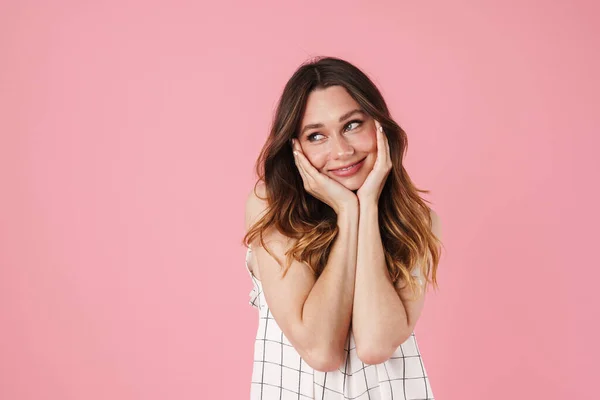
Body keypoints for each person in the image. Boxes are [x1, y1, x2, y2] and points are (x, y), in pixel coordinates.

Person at [242, 56, 443, 400]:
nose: (342, 151)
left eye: (351, 125)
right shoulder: (272, 207)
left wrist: (367, 208)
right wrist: (348, 213)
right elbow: (321, 351)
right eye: (316, 135)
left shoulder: (417, 221)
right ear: (296, 147)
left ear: (378, 124)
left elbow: (376, 344)